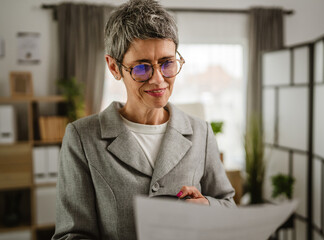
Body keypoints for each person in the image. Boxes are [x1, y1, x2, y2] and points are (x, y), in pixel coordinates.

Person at [52, 0, 235, 239]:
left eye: (167, 63)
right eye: (142, 68)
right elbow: (71, 234)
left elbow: (228, 206)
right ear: (114, 67)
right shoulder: (82, 138)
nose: (159, 80)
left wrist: (207, 207)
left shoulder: (201, 132)